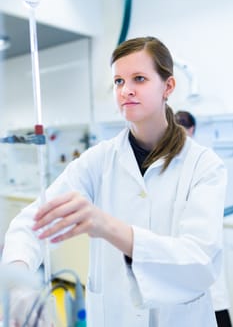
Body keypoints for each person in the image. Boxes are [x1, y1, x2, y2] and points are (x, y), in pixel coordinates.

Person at [1, 36, 227, 327]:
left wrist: (105, 226)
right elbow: (30, 224)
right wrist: (19, 284)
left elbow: (200, 261)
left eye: (139, 79)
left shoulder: (204, 165)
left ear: (168, 87)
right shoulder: (98, 160)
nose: (126, 90)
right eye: (119, 81)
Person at [175, 110, 232, 327]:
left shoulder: (206, 162)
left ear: (192, 130)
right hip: (182, 253)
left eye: (183, 126)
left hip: (204, 247)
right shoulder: (169, 162)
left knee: (216, 300)